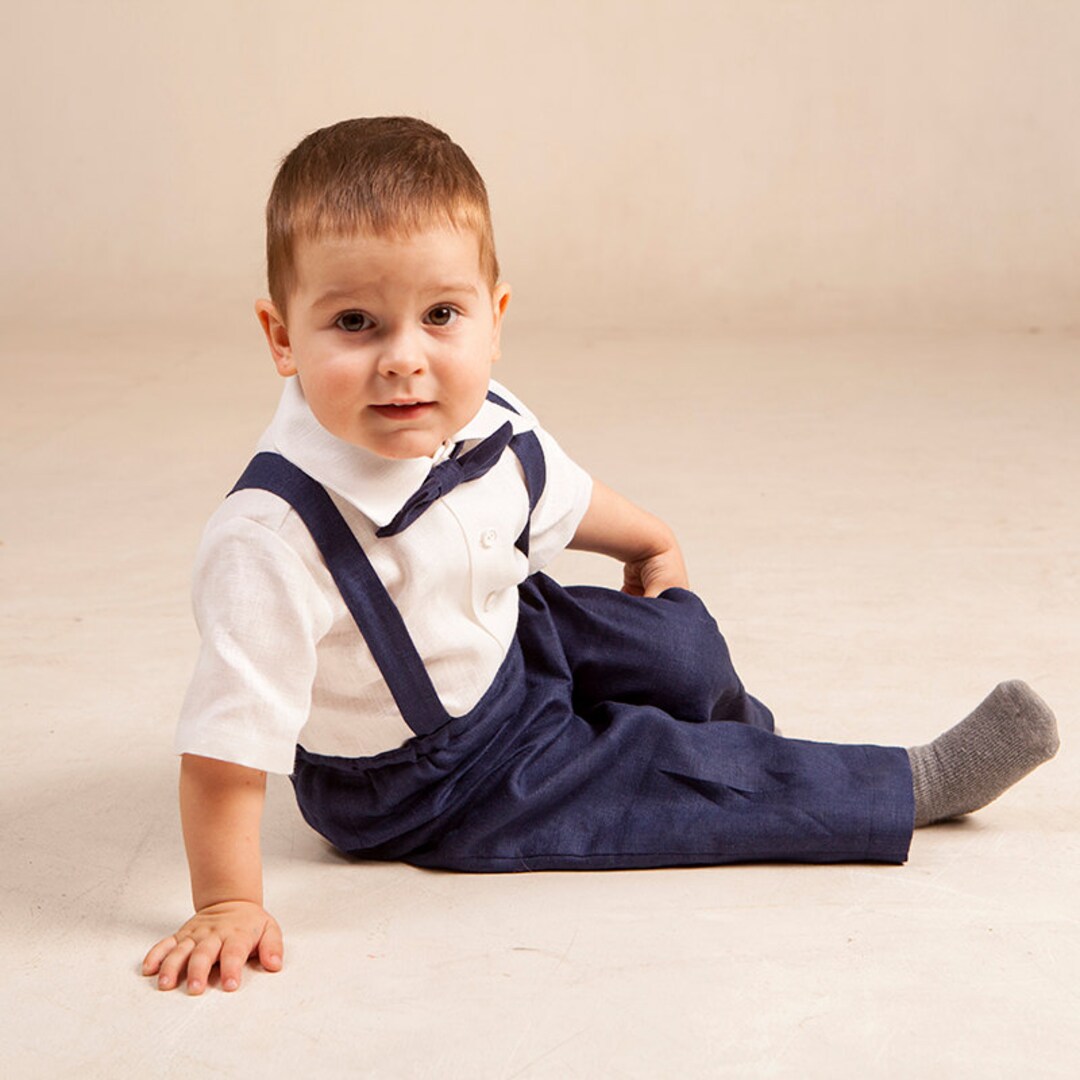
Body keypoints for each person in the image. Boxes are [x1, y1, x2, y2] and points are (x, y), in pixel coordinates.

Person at [143, 117, 1059, 996]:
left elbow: (560, 495)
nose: (404, 359)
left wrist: (653, 539)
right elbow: (225, 750)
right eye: (354, 323)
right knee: (663, 778)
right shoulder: (273, 536)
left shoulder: (483, 415)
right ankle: (893, 782)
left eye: (441, 314)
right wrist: (228, 902)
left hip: (506, 634)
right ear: (280, 336)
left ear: (493, 318)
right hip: (434, 775)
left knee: (679, 644)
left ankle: (749, 741)